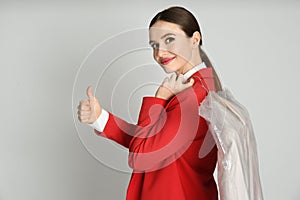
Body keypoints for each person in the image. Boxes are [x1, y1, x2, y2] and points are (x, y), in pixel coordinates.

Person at [77, 6, 223, 200]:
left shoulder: (192, 96)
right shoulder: (197, 87)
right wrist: (100, 118)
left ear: (194, 40)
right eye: (154, 45)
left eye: (169, 40)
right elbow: (151, 142)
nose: (160, 52)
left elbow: (141, 156)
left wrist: (160, 97)